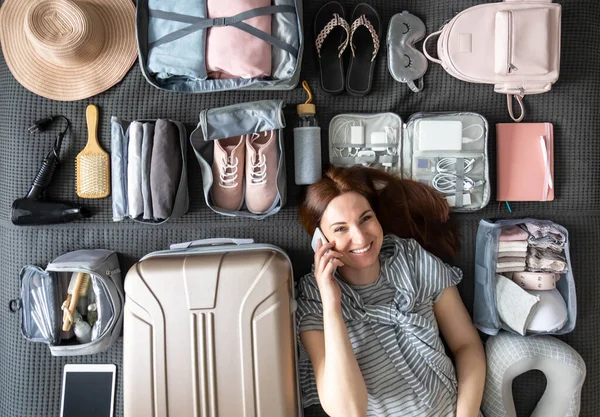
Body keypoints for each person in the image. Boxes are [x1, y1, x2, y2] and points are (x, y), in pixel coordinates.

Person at [296, 165, 486, 417]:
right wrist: (331, 304)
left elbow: (466, 344)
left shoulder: (412, 259)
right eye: (341, 229)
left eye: (366, 219)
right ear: (320, 240)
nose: (361, 239)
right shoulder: (313, 298)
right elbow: (348, 411)